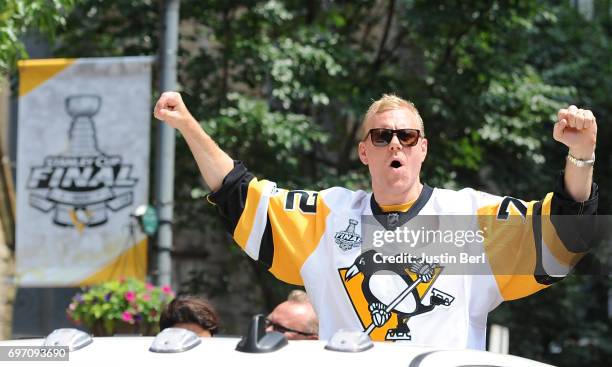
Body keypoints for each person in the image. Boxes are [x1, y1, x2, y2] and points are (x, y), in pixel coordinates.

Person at [154, 92, 598, 349]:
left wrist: (581, 156)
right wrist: (189, 126)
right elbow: (237, 193)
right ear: (364, 151)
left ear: (423, 148)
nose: (395, 146)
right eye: (381, 137)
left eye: (406, 136)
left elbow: (567, 234)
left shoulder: (466, 217)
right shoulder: (330, 218)